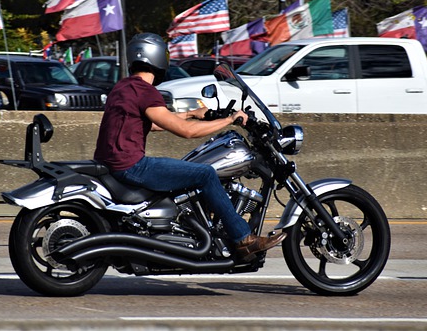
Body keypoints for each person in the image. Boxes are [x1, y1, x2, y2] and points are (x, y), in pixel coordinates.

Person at [94, 33, 286, 261]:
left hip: (114, 162)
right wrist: (229, 119)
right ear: (158, 59)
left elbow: (154, 122)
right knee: (205, 173)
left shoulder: (125, 87)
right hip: (131, 165)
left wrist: (191, 113)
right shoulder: (145, 91)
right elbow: (186, 132)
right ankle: (243, 239)